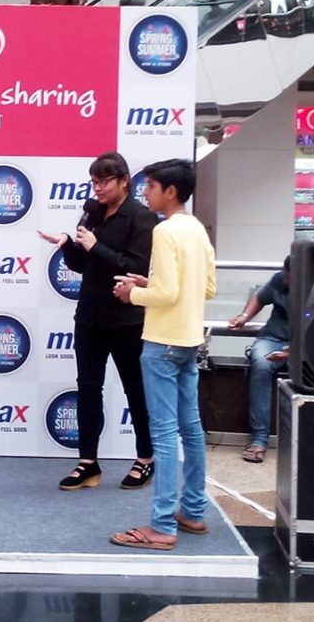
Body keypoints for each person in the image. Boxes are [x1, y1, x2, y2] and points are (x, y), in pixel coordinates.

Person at [110, 159, 216, 551]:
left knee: (165, 437)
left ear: (170, 191)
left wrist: (133, 293)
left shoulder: (165, 231)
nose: (144, 192)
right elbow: (206, 288)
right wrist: (149, 282)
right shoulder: (197, 230)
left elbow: (167, 294)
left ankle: (161, 526)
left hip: (161, 342)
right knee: (191, 431)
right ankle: (192, 511)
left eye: (150, 186)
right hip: (189, 340)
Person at [37, 152, 158, 490]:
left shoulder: (142, 218)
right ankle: (87, 462)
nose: (97, 188)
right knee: (88, 389)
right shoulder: (93, 213)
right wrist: (66, 245)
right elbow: (81, 264)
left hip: (126, 319)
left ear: (124, 181)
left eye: (103, 181)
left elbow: (133, 267)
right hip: (89, 316)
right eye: (93, 181)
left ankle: (145, 458)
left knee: (136, 390)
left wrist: (95, 246)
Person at [226, 256, 290, 464]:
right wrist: (244, 317)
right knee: (261, 363)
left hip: (308, 345)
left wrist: (295, 351)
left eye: (291, 277)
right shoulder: (280, 280)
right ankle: (259, 440)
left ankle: (311, 439)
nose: (287, 281)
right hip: (273, 339)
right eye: (286, 275)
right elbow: (259, 297)